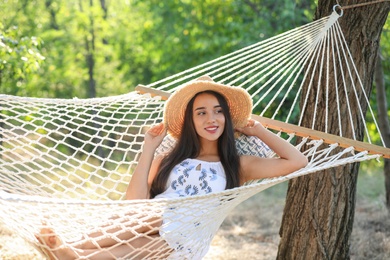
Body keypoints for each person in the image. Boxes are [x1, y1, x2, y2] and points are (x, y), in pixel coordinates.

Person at [36, 76, 308, 259]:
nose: (211, 118)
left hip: (182, 242)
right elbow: (134, 205)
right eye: (201, 112)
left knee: (156, 240)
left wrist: (259, 130)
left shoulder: (238, 165)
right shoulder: (169, 159)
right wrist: (149, 149)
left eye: (218, 110)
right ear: (190, 120)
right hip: (149, 221)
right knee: (152, 217)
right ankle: (74, 251)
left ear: (227, 116)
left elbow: (297, 162)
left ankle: (70, 251)